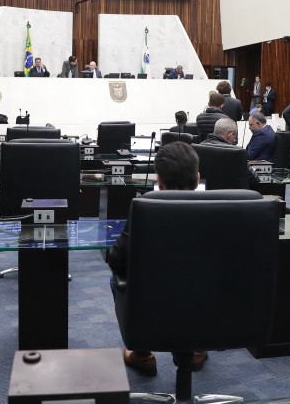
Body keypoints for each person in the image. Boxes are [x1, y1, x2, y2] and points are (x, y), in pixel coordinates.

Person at [108, 142, 207, 375]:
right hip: (207, 308)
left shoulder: (144, 208)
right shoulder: (226, 208)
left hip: (154, 307)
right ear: (197, 179)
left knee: (117, 280)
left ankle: (142, 354)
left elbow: (117, 261)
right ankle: (196, 349)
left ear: (159, 181)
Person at [200, 118, 259, 188]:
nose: (234, 140)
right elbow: (254, 180)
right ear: (229, 135)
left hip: (204, 197)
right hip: (231, 197)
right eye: (235, 136)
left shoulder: (197, 148)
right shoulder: (237, 153)